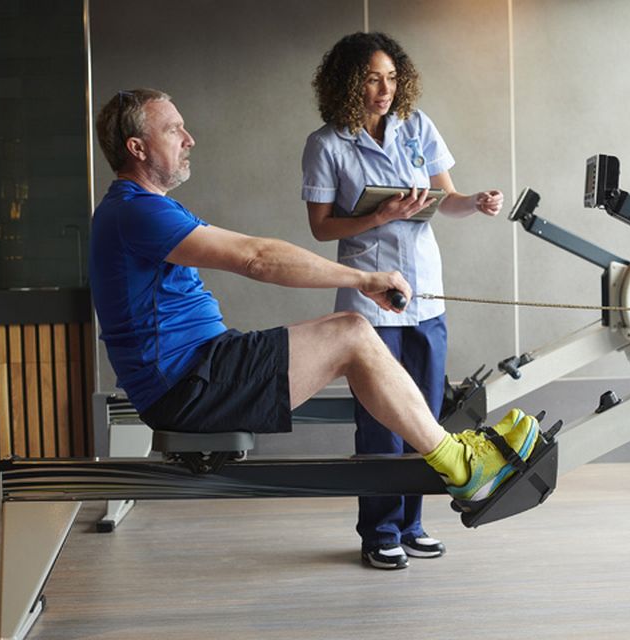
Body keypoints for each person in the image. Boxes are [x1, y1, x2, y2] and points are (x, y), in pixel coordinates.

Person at [88, 89, 540, 555]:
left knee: (351, 334)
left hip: (203, 368)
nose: (189, 138)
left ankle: (456, 455)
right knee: (351, 332)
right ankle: (465, 469)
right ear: (136, 148)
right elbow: (257, 259)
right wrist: (364, 278)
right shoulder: (134, 212)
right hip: (190, 385)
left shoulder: (142, 207)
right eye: (172, 129)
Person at [302, 32, 505, 569]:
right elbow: (322, 229)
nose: (384, 88)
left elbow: (448, 200)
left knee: (428, 415)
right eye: (371, 77)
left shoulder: (419, 127)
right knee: (379, 421)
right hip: (370, 298)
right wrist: (379, 216)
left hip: (426, 294)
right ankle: (379, 530)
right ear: (348, 81)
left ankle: (412, 524)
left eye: (391, 77)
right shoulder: (327, 145)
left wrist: (476, 202)